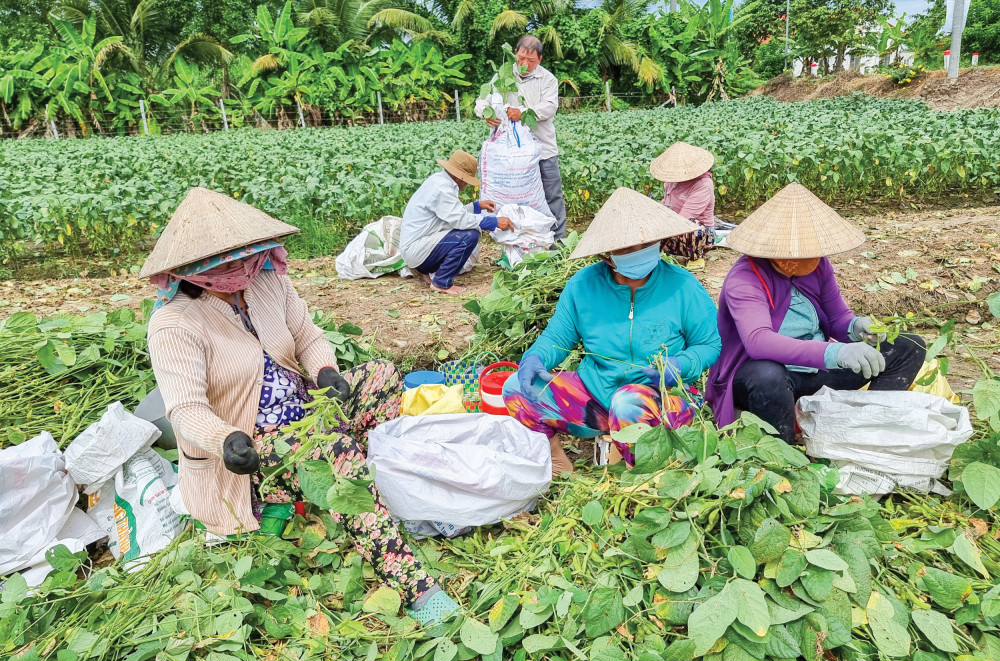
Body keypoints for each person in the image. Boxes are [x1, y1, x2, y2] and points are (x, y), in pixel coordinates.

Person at [142, 187, 458, 625]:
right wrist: (227, 440)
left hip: (309, 411)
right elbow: (185, 410)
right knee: (333, 452)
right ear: (190, 269)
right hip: (253, 448)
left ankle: (352, 483)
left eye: (241, 254)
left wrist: (326, 370)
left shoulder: (268, 281)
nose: (236, 267)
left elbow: (308, 337)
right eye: (221, 261)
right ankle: (417, 588)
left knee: (382, 374)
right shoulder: (174, 323)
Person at [501, 188, 722, 472]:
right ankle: (555, 459)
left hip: (663, 398)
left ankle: (642, 473)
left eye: (646, 244)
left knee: (628, 403)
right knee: (518, 387)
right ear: (607, 254)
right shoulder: (583, 286)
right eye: (627, 249)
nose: (639, 253)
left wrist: (680, 365)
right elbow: (557, 338)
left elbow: (710, 344)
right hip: (597, 396)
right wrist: (536, 358)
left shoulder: (683, 286)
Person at [706, 183, 925, 444]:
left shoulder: (817, 266)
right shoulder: (745, 279)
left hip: (815, 369)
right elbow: (758, 342)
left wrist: (856, 328)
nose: (805, 257)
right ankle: (783, 451)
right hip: (765, 379)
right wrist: (837, 353)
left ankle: (867, 429)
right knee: (767, 374)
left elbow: (836, 319)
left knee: (908, 346)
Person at [485, 35, 567, 240]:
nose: (524, 64)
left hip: (543, 149)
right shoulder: (502, 77)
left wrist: (523, 112)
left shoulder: (548, 79)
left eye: (531, 61)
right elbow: (485, 101)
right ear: (515, 53)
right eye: (521, 58)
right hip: (512, 156)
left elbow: (549, 107)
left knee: (552, 196)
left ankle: (558, 244)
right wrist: (488, 114)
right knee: (516, 198)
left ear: (539, 59)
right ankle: (520, 242)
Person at [401, 150, 513, 295]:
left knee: (466, 231)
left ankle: (425, 272)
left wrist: (476, 206)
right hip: (417, 249)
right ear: (460, 177)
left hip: (417, 246)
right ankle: (441, 282)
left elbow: (450, 214)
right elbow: (460, 220)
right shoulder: (442, 189)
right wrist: (493, 222)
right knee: (468, 236)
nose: (466, 184)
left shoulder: (438, 181)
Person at [650, 142, 717, 266]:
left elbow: (684, 218)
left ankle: (696, 255)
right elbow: (666, 203)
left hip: (697, 235)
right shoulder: (671, 181)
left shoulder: (703, 185)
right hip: (673, 227)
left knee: (691, 226)